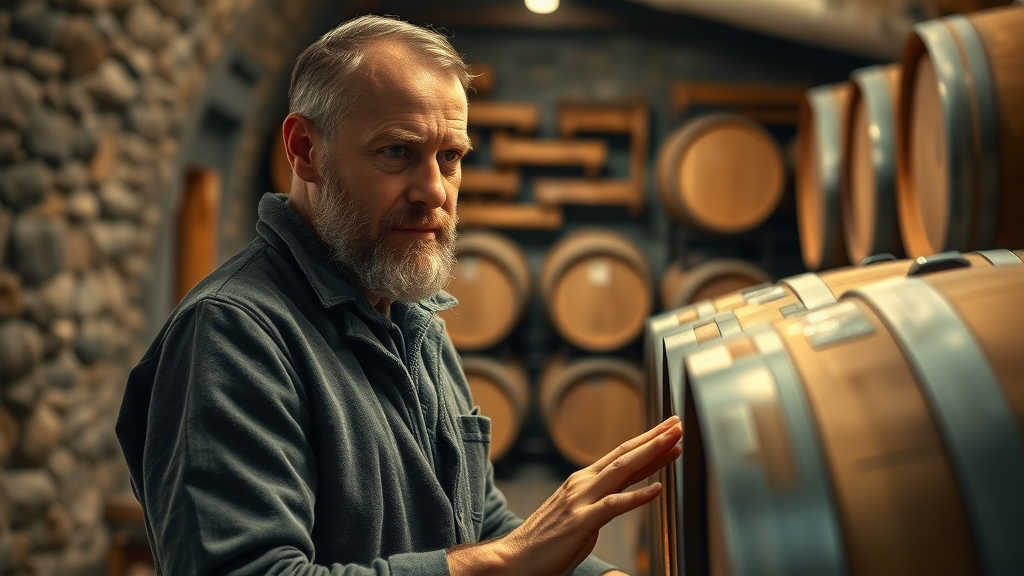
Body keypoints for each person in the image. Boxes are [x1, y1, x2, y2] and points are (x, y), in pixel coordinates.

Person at [115, 14, 682, 576]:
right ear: (304, 149)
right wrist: (507, 559)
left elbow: (477, 524)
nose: (434, 190)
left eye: (451, 157)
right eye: (396, 152)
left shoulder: (413, 317)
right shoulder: (232, 335)